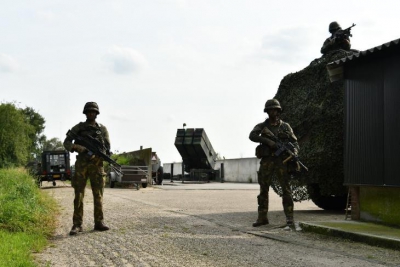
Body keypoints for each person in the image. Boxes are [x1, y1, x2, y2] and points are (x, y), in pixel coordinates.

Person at [249, 99, 300, 230]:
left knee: (286, 190)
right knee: (263, 189)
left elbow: (295, 142)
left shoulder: (285, 127)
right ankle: (262, 217)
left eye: (275, 110)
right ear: (267, 111)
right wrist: (267, 141)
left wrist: (294, 151)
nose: (273, 112)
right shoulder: (262, 126)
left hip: (281, 161)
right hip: (267, 161)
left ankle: (289, 219)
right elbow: (252, 135)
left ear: (279, 111)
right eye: (271, 110)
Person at [63, 102, 111, 235]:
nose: (91, 113)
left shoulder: (102, 129)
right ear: (85, 113)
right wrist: (78, 147)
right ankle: (77, 225)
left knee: (98, 195)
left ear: (97, 113)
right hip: (82, 165)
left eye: (93, 112)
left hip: (97, 165)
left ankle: (99, 222)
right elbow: (66, 143)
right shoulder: (79, 128)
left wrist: (101, 156)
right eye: (89, 111)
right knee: (79, 194)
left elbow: (107, 148)